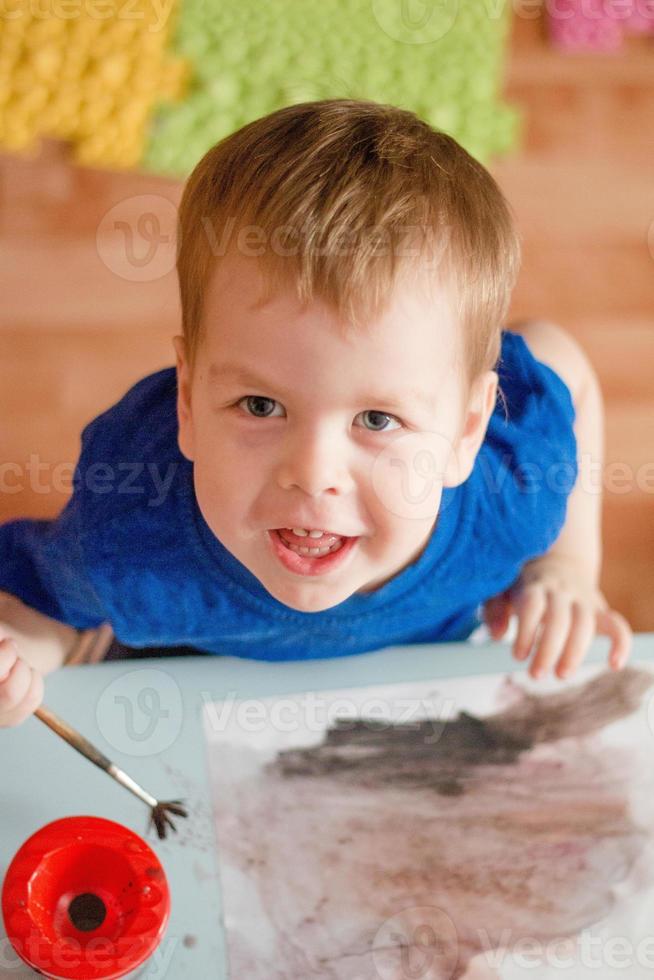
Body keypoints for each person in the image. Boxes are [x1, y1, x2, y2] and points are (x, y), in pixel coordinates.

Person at [0, 98, 632, 727]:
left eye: (378, 420)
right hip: (182, 678)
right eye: (261, 405)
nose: (312, 472)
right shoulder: (131, 536)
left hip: (421, 686)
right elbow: (43, 611)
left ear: (468, 431)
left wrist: (565, 566)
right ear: (188, 402)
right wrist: (19, 656)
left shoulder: (509, 490)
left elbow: (562, 367)